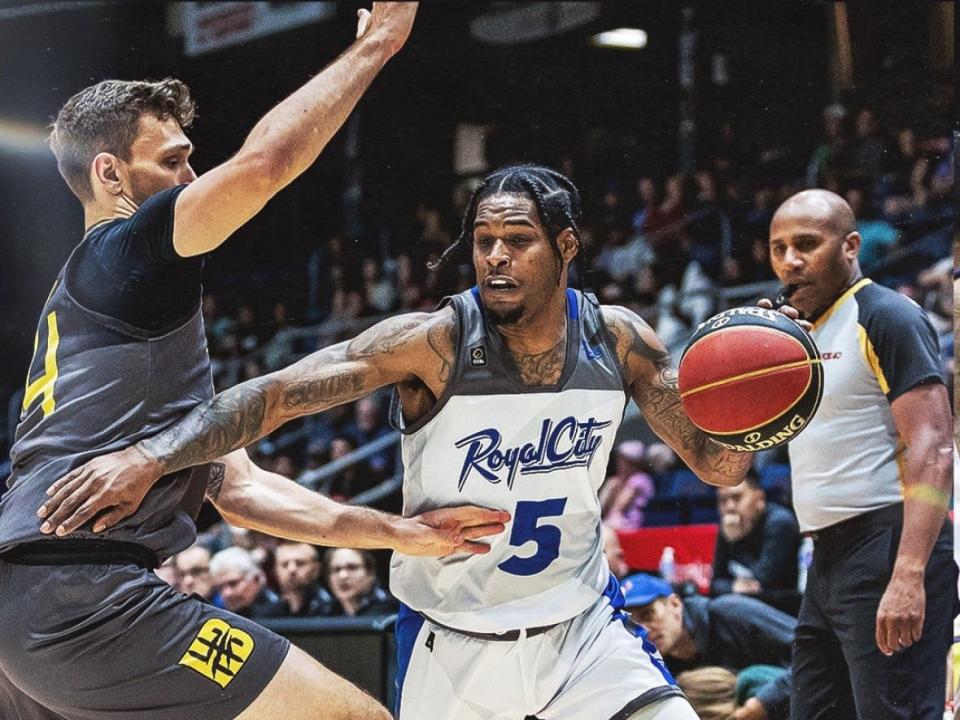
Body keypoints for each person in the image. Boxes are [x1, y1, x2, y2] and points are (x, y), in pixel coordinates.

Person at [37, 164, 801, 720]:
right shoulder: (433, 342)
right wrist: (154, 455)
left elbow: (720, 464)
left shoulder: (620, 340)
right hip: (453, 642)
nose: (495, 256)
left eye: (518, 240)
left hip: (580, 633)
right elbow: (272, 397)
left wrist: (760, 395)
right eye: (483, 240)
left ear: (567, 246)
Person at [0, 6, 512, 720]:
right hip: (85, 597)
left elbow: (239, 489)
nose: (192, 173)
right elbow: (266, 164)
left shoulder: (108, 322)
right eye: (172, 160)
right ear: (110, 172)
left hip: (26, 611)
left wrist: (401, 534)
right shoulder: (128, 250)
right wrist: (376, 45)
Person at [766, 189, 955, 719]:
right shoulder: (796, 334)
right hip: (827, 558)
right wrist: (755, 353)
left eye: (806, 244)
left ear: (851, 245)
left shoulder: (886, 315)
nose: (790, 260)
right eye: (778, 248)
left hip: (888, 543)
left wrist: (909, 572)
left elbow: (934, 447)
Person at [623, 573, 794, 720]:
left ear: (675, 604)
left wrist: (765, 701)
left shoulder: (729, 612)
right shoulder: (653, 668)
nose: (643, 630)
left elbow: (815, 653)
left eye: (648, 615)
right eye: (631, 624)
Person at [711, 468, 800, 609]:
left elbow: (761, 583)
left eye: (737, 497)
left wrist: (736, 542)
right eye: (722, 500)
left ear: (759, 499)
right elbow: (715, 584)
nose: (729, 507)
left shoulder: (780, 523)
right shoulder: (728, 527)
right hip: (747, 606)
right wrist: (735, 587)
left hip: (783, 607)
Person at [210, 546, 283, 619]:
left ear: (256, 579)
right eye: (219, 587)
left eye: (233, 584)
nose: (226, 593)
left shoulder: (281, 612)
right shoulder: (217, 617)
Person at [323, 547, 398, 617]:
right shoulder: (323, 612)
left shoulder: (392, 611)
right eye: (336, 569)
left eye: (352, 567)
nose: (343, 576)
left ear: (370, 573)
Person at [273, 541, 333, 617]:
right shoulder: (269, 613)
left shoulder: (330, 610)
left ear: (316, 570)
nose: (291, 569)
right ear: (276, 571)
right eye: (285, 564)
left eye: (300, 563)